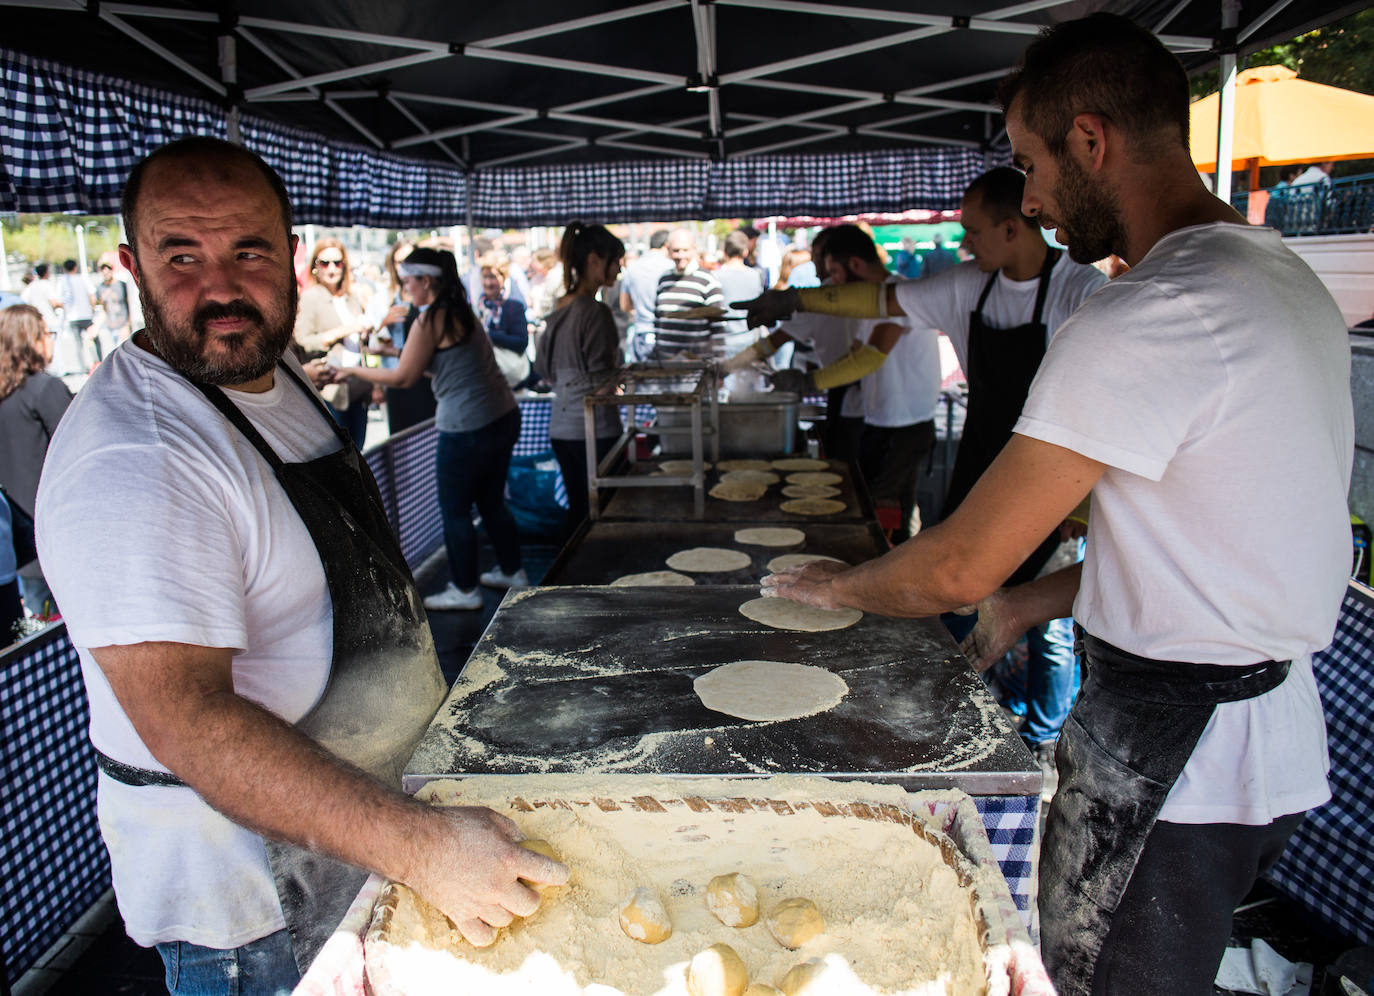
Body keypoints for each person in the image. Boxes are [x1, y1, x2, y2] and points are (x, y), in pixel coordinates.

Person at [745, 14, 1351, 996]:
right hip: (1262, 731)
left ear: (1091, 139)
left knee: (1098, 983)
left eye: (1029, 164)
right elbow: (1209, 543)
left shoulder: (1146, 312)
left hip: (1175, 757)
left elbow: (955, 569)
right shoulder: (1272, 273)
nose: (1026, 198)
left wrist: (839, 585)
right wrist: (1030, 602)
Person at [35, 138, 565, 993]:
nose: (218, 288)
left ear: (289, 256)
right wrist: (421, 845)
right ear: (129, 265)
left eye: (247, 251)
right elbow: (187, 723)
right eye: (181, 256)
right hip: (259, 912)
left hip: (362, 840)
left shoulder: (266, 370)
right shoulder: (138, 457)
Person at [335, 247, 527, 611]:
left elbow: (404, 377)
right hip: (502, 415)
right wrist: (396, 351)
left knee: (454, 509)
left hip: (467, 425)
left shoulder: (430, 320)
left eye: (408, 280)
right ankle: (512, 570)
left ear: (426, 280)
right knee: (490, 501)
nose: (404, 286)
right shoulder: (461, 312)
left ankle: (465, 589)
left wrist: (353, 370)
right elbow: (436, 365)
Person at [769, 225, 940, 541]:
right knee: (869, 507)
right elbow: (855, 353)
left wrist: (810, 381)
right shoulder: (872, 304)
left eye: (834, 272)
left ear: (856, 265)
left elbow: (869, 358)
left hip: (905, 427)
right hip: (879, 422)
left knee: (884, 517)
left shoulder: (901, 295)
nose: (833, 282)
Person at [534, 222, 627, 533]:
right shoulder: (595, 312)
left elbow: (543, 371)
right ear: (593, 260)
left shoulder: (558, 307)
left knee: (579, 508)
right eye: (615, 260)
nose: (618, 269)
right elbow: (604, 379)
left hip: (562, 426)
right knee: (603, 513)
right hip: (594, 428)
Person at [0, 304, 72, 620]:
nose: (51, 340)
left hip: (20, 544)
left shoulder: (7, 393)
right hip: (58, 537)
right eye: (47, 333)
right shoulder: (45, 389)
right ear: (32, 340)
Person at [292, 238, 375, 449]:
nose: (331, 268)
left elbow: (358, 340)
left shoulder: (351, 298)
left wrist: (364, 332)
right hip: (331, 390)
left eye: (337, 263)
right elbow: (303, 340)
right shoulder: (311, 297)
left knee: (359, 452)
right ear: (314, 267)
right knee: (340, 453)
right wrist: (343, 331)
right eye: (324, 263)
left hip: (357, 385)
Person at [365, 239, 437, 435]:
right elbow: (372, 345)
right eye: (399, 262)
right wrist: (384, 324)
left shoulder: (430, 298)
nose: (403, 267)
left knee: (428, 437)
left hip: (428, 379)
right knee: (401, 443)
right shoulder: (383, 298)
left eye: (408, 261)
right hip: (396, 379)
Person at [652, 229, 725, 360]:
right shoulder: (664, 279)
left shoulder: (708, 280)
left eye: (685, 250)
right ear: (668, 250)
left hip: (697, 364)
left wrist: (718, 362)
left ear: (694, 249)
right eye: (676, 250)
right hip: (666, 363)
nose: (680, 255)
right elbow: (658, 320)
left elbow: (718, 326)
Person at [474, 251, 532, 388]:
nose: (488, 282)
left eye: (493, 277)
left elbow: (521, 342)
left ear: (503, 277)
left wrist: (491, 336)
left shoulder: (514, 306)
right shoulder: (476, 307)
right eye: (485, 277)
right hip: (483, 378)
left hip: (508, 379)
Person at [619, 229, 673, 361]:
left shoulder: (633, 267)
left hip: (641, 334)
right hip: (667, 335)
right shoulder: (671, 267)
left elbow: (624, 305)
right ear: (667, 245)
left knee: (641, 379)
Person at [57, 258, 96, 373]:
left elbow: (60, 300)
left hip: (72, 317)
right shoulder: (83, 278)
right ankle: (97, 362)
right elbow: (92, 296)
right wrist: (92, 309)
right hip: (86, 315)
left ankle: (83, 367)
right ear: (75, 267)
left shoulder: (62, 281)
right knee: (92, 340)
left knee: (78, 344)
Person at [95, 251, 133, 351]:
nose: (105, 271)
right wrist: (95, 326)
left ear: (112, 269)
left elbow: (130, 306)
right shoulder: (100, 288)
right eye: (103, 269)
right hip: (109, 327)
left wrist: (127, 326)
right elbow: (103, 309)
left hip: (122, 326)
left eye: (108, 268)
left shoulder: (121, 285)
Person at [20, 262, 63, 336]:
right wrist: (64, 306)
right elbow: (54, 303)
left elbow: (24, 302)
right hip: (50, 321)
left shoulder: (30, 287)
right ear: (46, 273)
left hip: (36, 322)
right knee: (53, 345)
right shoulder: (47, 285)